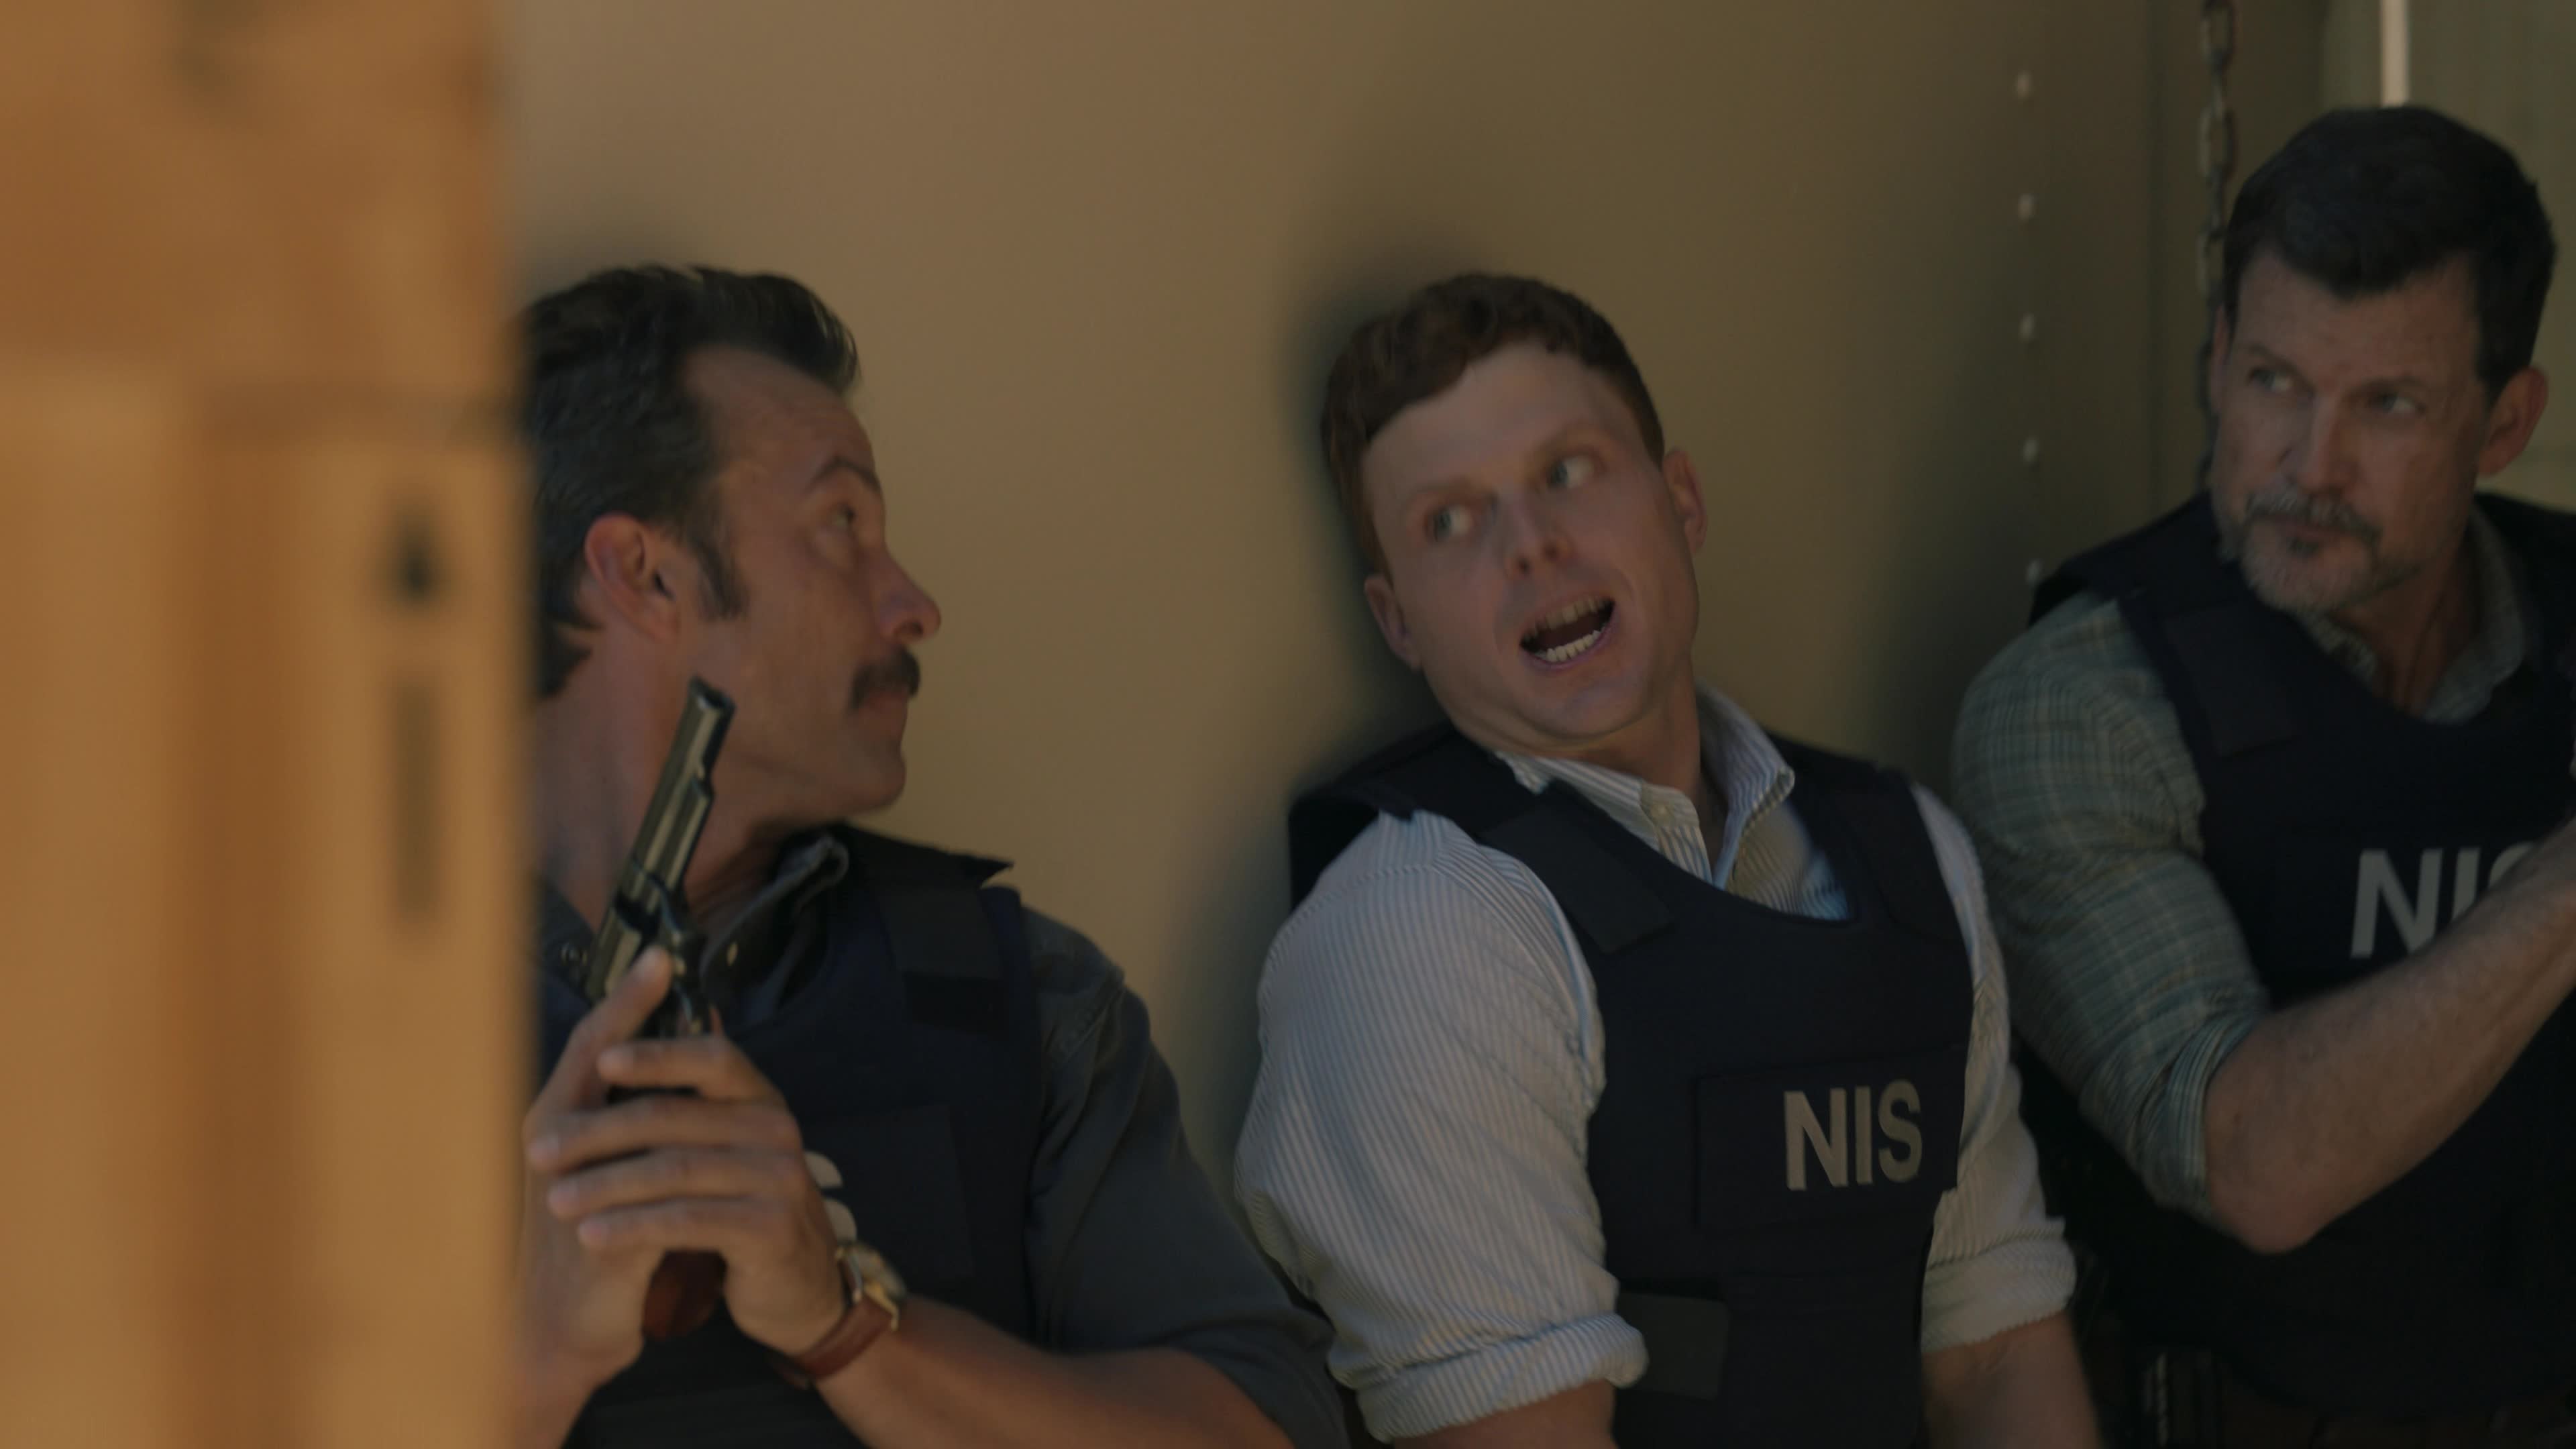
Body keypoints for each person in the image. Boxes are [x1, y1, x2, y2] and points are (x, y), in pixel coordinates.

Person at [1236, 273, 2095, 1446]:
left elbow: (1996, 1356)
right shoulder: (1421, 932)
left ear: (1681, 500)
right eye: (1450, 521)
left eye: (1566, 472)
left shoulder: (1904, 859)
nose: (1531, 545)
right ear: (1399, 622)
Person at [513, 264, 1345, 1449]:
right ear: (647, 574)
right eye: (841, 526)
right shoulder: (298, 1029)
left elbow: (1275, 1432)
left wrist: (848, 1329)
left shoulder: (1025, 1002)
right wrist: (533, 1361)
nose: (913, 605)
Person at [1952, 105, 2576, 1444]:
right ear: (2218, 361)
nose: (2308, 466)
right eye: (2274, 382)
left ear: (2504, 422)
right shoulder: (2089, 704)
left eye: (2388, 404)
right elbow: (2252, 1168)